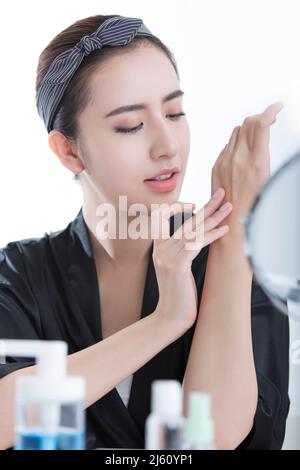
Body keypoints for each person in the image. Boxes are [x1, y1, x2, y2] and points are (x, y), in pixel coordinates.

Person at [0, 14, 289, 450]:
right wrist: (165, 321)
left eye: (175, 112)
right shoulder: (22, 273)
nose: (167, 145)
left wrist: (233, 235)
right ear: (69, 150)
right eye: (130, 125)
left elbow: (213, 440)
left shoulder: (239, 262)